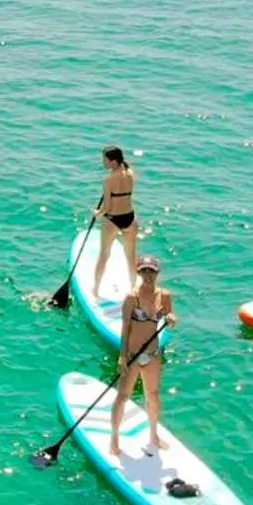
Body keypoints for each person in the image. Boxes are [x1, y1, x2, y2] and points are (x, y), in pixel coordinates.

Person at [109, 254, 175, 457]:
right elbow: (125, 328)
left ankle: (153, 435)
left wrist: (172, 318)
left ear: (157, 273)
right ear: (138, 272)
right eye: (144, 271)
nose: (148, 275)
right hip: (133, 354)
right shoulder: (132, 298)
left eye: (151, 271)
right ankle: (114, 438)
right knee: (123, 396)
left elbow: (169, 318)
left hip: (153, 354)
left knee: (153, 395)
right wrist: (122, 357)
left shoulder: (164, 295)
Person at [91, 145, 139, 298]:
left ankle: (96, 290)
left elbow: (108, 206)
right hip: (130, 218)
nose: (103, 162)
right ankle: (133, 289)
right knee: (131, 256)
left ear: (112, 161)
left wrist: (97, 213)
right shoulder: (131, 173)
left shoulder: (108, 180)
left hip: (113, 219)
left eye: (105, 159)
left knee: (104, 255)